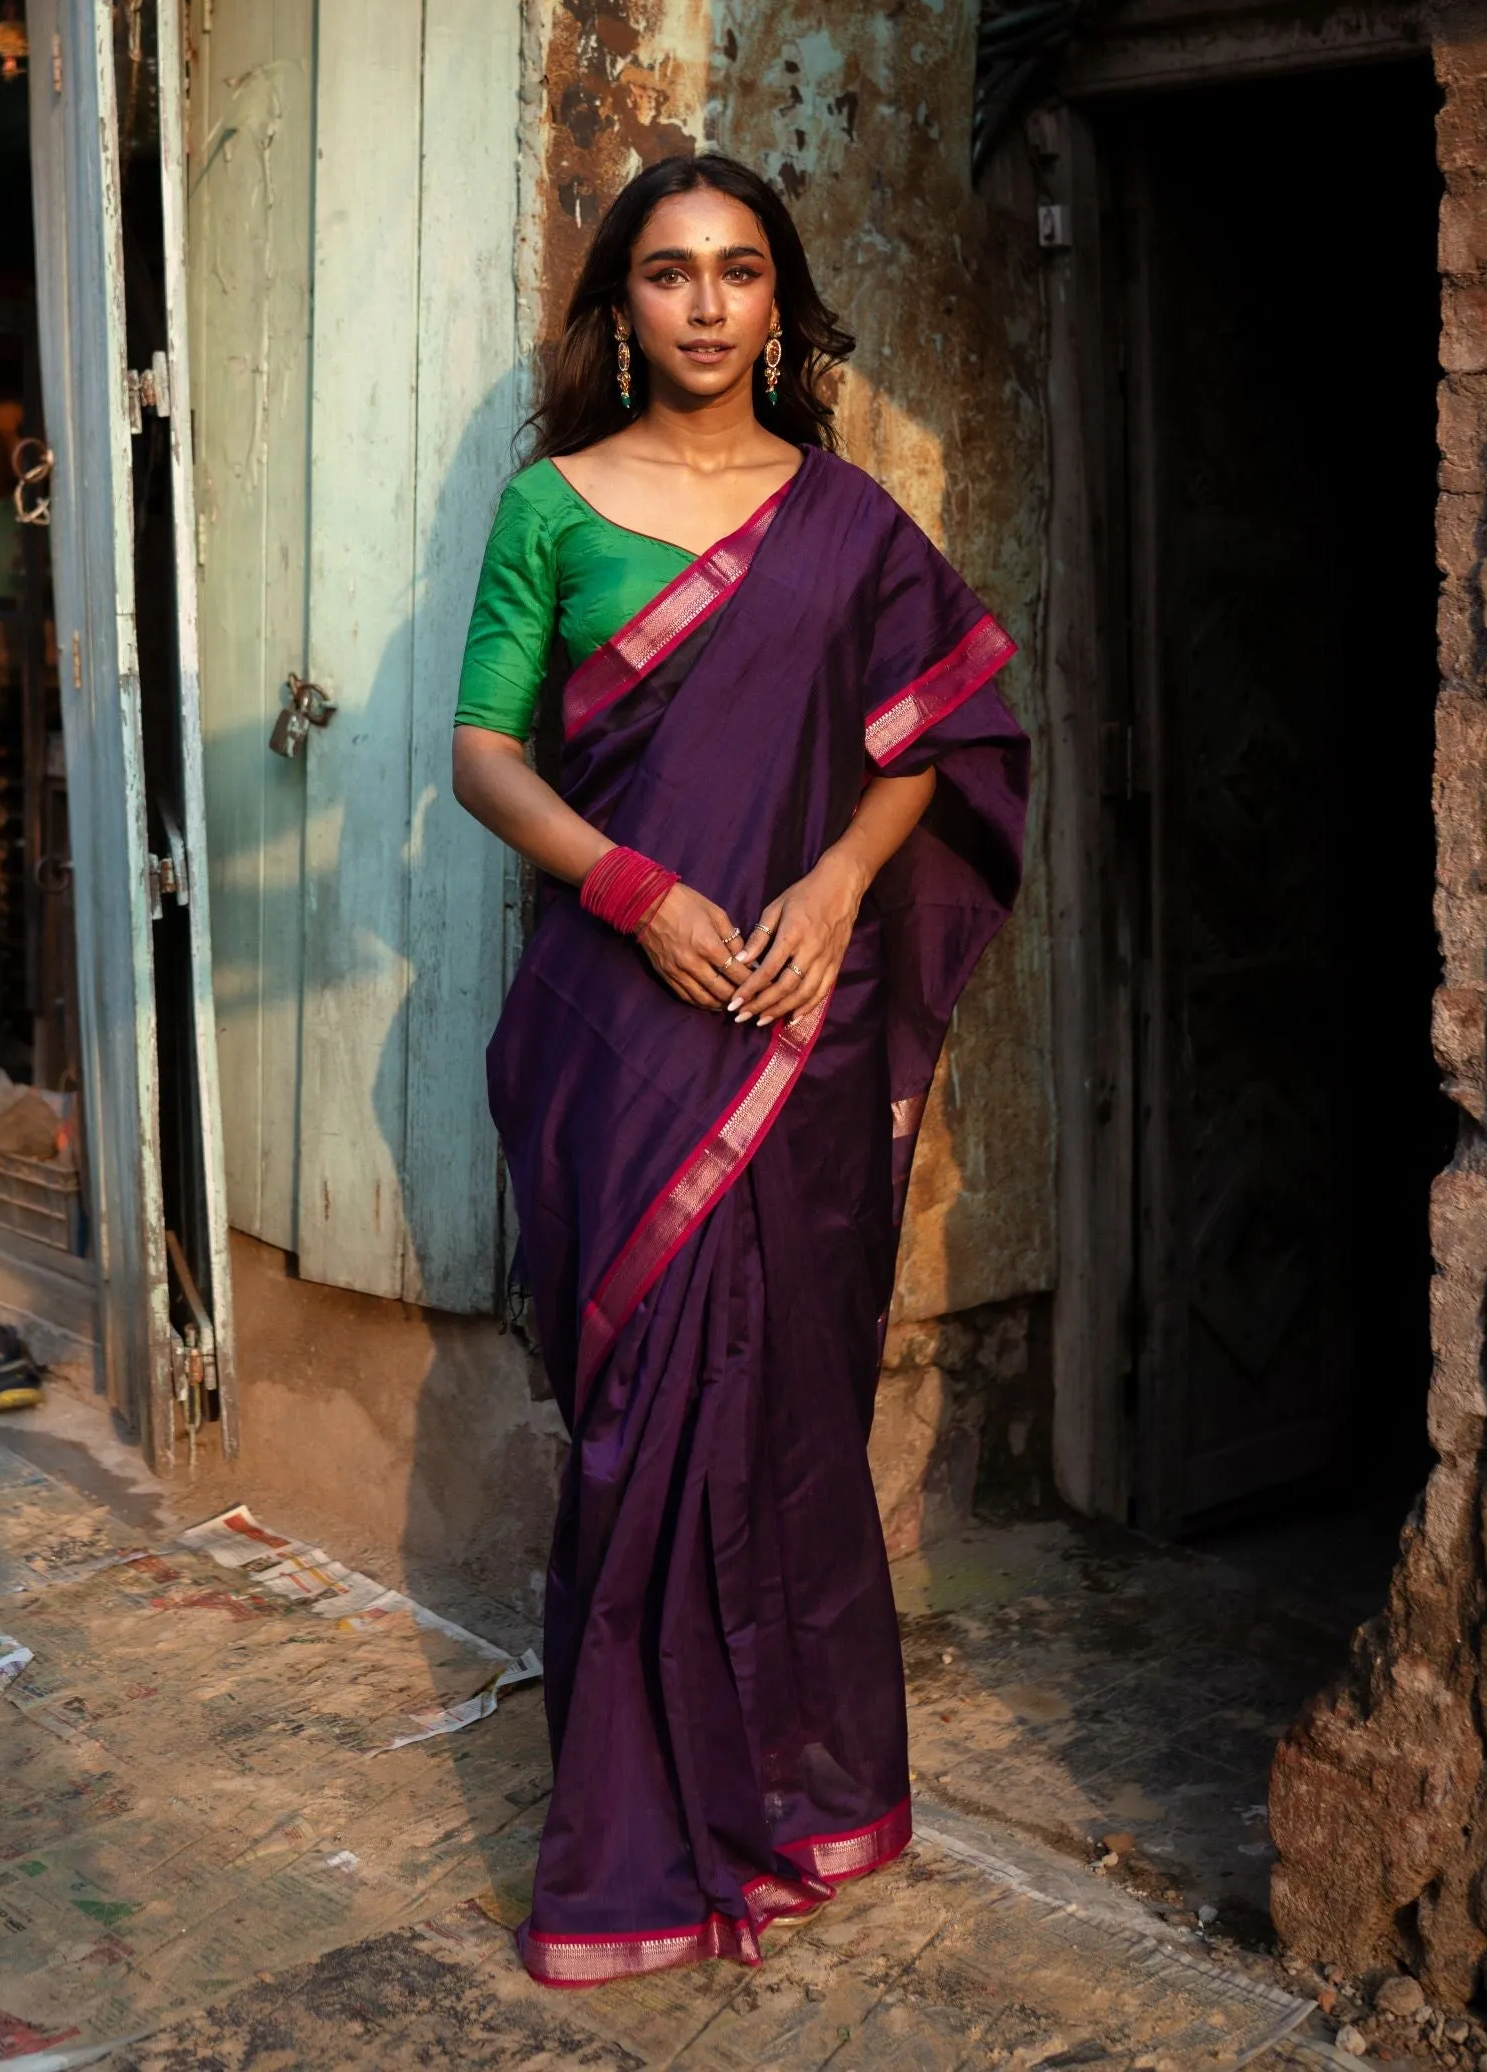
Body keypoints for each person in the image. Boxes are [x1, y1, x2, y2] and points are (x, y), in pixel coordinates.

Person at [452, 151, 1028, 1986]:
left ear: (784, 305)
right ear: (618, 308)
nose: (706, 304)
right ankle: (630, 1845)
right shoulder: (552, 508)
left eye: (741, 271)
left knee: (788, 1417)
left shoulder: (851, 525)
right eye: (670, 273)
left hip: (794, 1002)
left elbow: (933, 732)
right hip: (620, 1023)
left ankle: (798, 1800)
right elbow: (483, 754)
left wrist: (843, 887)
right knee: (633, 1433)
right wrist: (634, 891)